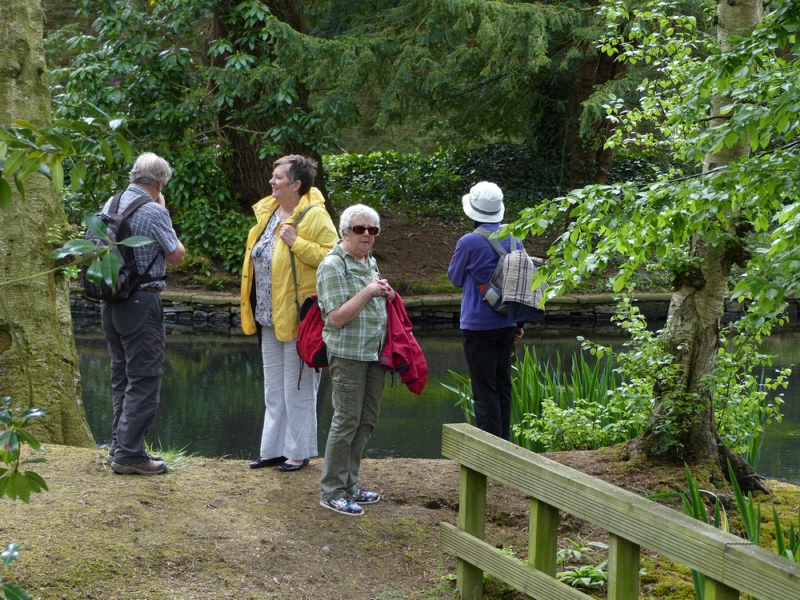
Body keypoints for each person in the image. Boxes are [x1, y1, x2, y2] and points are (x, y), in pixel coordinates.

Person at [241, 155, 338, 473]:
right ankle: (272, 450)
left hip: (300, 318)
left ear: (296, 184)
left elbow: (335, 258)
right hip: (268, 317)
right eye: (273, 175)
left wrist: (298, 243)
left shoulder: (315, 216)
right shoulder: (268, 211)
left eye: (278, 177)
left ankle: (298, 452)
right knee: (274, 387)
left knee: (298, 387)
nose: (272, 180)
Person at [104, 153, 185, 475]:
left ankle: (119, 446)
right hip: (140, 302)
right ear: (160, 182)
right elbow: (176, 255)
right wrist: (163, 212)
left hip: (110, 301)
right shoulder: (153, 210)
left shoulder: (112, 203)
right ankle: (130, 454)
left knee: (122, 375)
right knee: (145, 377)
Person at [316, 204, 393, 516]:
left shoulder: (368, 260)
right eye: (360, 229)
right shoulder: (333, 265)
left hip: (374, 353)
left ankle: (350, 485)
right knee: (346, 421)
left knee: (367, 420)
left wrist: (383, 292)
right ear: (344, 232)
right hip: (347, 354)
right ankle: (331, 490)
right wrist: (369, 291)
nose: (367, 235)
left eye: (372, 230)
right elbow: (335, 318)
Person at [447, 182, 525, 441]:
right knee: (503, 385)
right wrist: (519, 323)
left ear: (473, 211)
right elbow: (521, 285)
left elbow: (455, 279)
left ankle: (489, 453)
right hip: (506, 323)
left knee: (483, 390)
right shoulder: (515, 238)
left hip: (477, 326)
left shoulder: (469, 242)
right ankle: (504, 444)